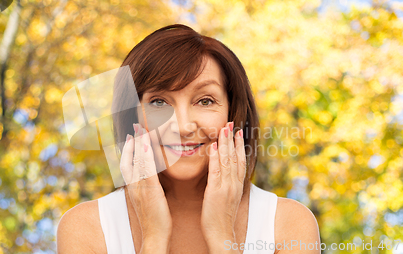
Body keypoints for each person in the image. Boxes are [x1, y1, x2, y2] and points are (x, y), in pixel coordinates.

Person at [57, 24, 320, 254]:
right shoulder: (86, 228)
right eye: (159, 102)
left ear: (233, 112)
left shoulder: (288, 225)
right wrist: (154, 239)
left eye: (205, 101)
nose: (183, 126)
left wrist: (222, 236)